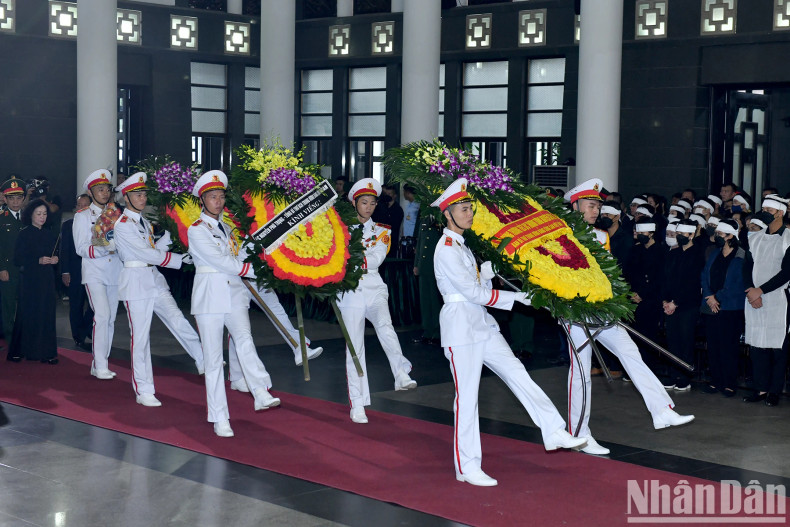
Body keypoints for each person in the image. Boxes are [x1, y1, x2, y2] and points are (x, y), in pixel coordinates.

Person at [431, 178, 585, 486]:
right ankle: (467, 465)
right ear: (447, 214)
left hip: (482, 323)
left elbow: (477, 289)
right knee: (468, 398)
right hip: (461, 327)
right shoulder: (446, 248)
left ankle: (553, 429)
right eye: (462, 209)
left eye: (469, 208)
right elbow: (469, 294)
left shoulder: (462, 245)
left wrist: (485, 276)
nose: (468, 214)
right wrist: (515, 298)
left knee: (518, 373)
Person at [563, 179, 694, 456]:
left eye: (598, 205)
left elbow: (607, 272)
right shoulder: (561, 234)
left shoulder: (601, 236)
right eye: (590, 205)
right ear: (575, 206)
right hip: (574, 310)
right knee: (581, 373)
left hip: (602, 307)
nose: (595, 210)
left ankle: (661, 410)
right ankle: (579, 433)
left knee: (630, 352)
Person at [188, 170, 279, 437]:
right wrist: (250, 269)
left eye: (221, 196)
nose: (218, 201)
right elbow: (221, 262)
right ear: (202, 200)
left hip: (234, 293)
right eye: (212, 196)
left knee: (244, 339)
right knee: (215, 360)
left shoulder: (227, 228)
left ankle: (260, 390)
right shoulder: (197, 231)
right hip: (209, 297)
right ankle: (220, 417)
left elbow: (234, 256)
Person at [113, 172, 205, 407]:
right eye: (137, 194)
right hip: (135, 281)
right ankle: (144, 389)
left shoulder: (143, 222)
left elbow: (153, 247)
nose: (142, 198)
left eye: (144, 194)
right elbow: (144, 253)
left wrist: (173, 231)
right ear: (126, 198)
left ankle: (202, 357)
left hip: (153, 278)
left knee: (176, 318)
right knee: (141, 338)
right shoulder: (123, 225)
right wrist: (178, 258)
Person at [336, 178, 417, 425]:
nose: (369, 207)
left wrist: (347, 259)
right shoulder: (340, 229)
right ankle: (358, 403)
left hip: (374, 286)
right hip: (349, 291)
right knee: (355, 348)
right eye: (364, 202)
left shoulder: (382, 230)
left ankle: (400, 373)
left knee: (385, 326)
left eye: (372, 202)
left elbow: (376, 259)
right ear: (354, 203)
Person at [227, 284, 323, 394]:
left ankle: (299, 347)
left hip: (257, 275)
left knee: (276, 310)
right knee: (238, 327)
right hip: (237, 279)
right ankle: (236, 376)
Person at [73, 169, 123, 380]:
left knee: (109, 318)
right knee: (101, 315)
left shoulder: (118, 215)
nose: (104, 192)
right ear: (91, 192)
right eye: (99, 189)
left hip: (115, 272)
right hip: (95, 272)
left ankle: (100, 362)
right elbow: (81, 246)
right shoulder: (83, 216)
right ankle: (100, 364)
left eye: (107, 189)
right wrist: (105, 246)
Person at [742, 195, 790, 407]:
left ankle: (774, 391)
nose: (764, 213)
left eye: (768, 210)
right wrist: (750, 291)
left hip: (777, 298)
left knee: (777, 347)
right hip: (753, 297)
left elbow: (786, 272)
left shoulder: (788, 237)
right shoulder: (755, 237)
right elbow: (746, 266)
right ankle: (759, 388)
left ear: (780, 213)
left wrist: (761, 290)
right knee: (757, 345)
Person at [7, 199, 59, 364]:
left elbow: (55, 254)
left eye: (44, 214)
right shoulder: (24, 233)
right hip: (30, 279)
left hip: (47, 279)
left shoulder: (49, 234)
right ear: (30, 215)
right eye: (38, 214)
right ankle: (22, 350)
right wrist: (38, 260)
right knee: (27, 314)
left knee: (47, 314)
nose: (42, 217)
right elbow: (18, 259)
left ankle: (46, 352)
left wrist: (56, 259)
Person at [700, 219, 745, 398]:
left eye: (720, 234)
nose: (717, 237)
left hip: (730, 308)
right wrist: (710, 297)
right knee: (713, 345)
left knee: (729, 346)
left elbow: (737, 283)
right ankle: (716, 380)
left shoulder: (741, 255)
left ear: (730, 236)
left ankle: (729, 383)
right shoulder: (714, 253)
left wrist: (717, 297)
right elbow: (704, 274)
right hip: (711, 306)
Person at [661, 219, 705, 391]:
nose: (679, 236)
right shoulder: (673, 254)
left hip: (687, 305)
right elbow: (665, 279)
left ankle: (685, 377)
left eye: (682, 234)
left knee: (686, 341)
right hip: (670, 305)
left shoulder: (698, 254)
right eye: (677, 233)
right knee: (672, 341)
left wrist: (675, 303)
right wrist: (665, 300)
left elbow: (692, 283)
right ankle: (673, 375)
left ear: (691, 234)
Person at [60, 194, 94, 350]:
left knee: (95, 305)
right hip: (75, 271)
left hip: (94, 271)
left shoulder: (98, 224)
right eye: (79, 205)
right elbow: (64, 250)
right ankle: (78, 336)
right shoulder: (68, 225)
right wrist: (65, 271)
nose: (82, 208)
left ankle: (87, 329)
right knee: (76, 304)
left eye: (86, 205)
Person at [0, 177, 26, 352]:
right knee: (8, 306)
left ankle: (24, 337)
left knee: (26, 304)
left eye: (18, 198)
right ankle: (10, 340)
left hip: (27, 270)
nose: (15, 202)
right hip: (8, 269)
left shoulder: (31, 216)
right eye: (11, 198)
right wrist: (1, 267)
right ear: (5, 199)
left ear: (23, 199)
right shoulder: (2, 219)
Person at [412, 214, 443, 346]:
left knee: (435, 300)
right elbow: (420, 243)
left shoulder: (442, 219)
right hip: (424, 266)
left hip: (436, 266)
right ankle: (427, 331)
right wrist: (416, 264)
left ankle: (438, 332)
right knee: (425, 301)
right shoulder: (424, 219)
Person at [372, 184, 404, 256]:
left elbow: (394, 225)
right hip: (379, 239)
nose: (387, 196)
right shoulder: (381, 207)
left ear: (395, 196)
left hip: (391, 240)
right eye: (386, 194)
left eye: (389, 194)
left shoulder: (398, 209)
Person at [401, 185, 420, 260]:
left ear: (408, 193)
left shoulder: (418, 206)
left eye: (404, 192)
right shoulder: (409, 205)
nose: (403, 194)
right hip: (405, 240)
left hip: (413, 241)